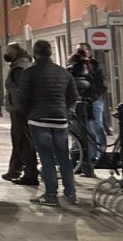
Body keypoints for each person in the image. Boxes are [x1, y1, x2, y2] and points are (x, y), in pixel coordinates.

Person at [18, 39, 80, 206]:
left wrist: (26, 114)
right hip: (60, 119)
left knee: (46, 157)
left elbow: (22, 98)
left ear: (35, 53)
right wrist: (64, 110)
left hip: (39, 119)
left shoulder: (31, 72)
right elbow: (73, 97)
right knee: (63, 157)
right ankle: (71, 192)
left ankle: (51, 194)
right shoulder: (63, 72)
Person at [2, 43, 37, 184]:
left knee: (22, 141)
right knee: (20, 141)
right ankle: (14, 169)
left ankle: (29, 172)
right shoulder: (25, 65)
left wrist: (21, 108)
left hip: (19, 110)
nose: (6, 54)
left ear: (14, 52)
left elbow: (21, 91)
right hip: (21, 108)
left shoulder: (19, 69)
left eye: (8, 51)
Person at [69, 44, 106, 176]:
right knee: (87, 133)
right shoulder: (79, 67)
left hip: (85, 103)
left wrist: (93, 97)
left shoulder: (91, 66)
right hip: (84, 103)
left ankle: (90, 159)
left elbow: (99, 84)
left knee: (89, 130)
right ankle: (87, 162)